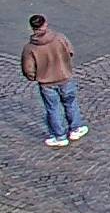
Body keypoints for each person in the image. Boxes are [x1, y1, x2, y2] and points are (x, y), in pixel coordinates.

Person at [21, 14, 83, 148]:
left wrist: (36, 77)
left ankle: (60, 136)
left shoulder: (30, 48)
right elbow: (70, 52)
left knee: (53, 109)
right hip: (65, 77)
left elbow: (28, 69)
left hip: (47, 83)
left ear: (32, 28)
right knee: (70, 103)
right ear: (45, 24)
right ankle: (75, 129)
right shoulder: (60, 38)